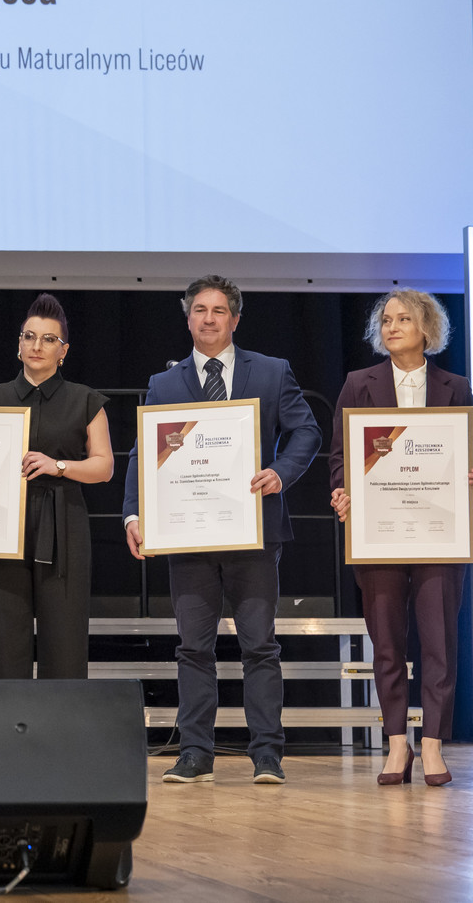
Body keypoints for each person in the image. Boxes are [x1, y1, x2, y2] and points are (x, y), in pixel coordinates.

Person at [122, 275, 320, 786]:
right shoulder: (164, 384)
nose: (208, 319)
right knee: (193, 648)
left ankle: (267, 755)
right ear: (188, 318)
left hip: (252, 531)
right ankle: (195, 753)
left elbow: (306, 430)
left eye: (218, 310)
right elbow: (143, 452)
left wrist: (281, 472)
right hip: (187, 533)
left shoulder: (271, 371)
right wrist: (133, 514)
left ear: (235, 319)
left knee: (260, 647)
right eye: (199, 310)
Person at [328, 289, 473, 787]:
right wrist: (342, 489)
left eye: (403, 319)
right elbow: (340, 457)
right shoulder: (358, 383)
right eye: (386, 320)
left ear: (427, 329)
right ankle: (396, 743)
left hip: (439, 532)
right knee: (387, 641)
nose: (391, 327)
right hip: (378, 532)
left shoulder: (457, 387)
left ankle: (431, 743)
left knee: (438, 641)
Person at [0, 293, 112, 679]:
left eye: (49, 339)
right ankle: (3, 719)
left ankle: (61, 720)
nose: (37, 345)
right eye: (29, 336)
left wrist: (59, 466)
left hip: (64, 522)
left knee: (65, 640)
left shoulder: (86, 400)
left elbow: (104, 467)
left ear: (63, 351)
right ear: (18, 344)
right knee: (0, 639)